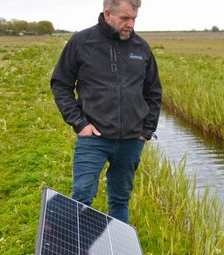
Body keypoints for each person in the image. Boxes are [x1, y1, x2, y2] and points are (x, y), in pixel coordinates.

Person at [50, 0, 162, 225]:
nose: (130, 24)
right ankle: (76, 254)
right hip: (93, 137)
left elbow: (153, 92)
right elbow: (61, 84)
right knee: (82, 195)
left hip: (131, 140)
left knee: (120, 200)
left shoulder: (141, 48)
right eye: (125, 18)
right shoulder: (81, 42)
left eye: (134, 19)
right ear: (108, 13)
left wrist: (146, 131)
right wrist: (80, 123)